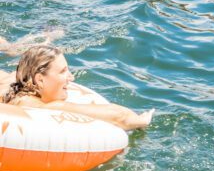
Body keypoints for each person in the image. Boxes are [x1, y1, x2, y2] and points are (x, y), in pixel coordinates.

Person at [0, 42, 153, 131]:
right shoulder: (36, 106)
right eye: (62, 71)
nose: (71, 78)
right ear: (39, 79)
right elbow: (118, 116)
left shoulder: (12, 80)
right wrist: (140, 121)